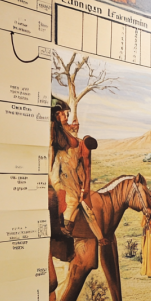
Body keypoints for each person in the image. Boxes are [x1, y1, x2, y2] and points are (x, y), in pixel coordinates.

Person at [49, 98, 97, 237]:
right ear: (57, 115)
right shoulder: (55, 130)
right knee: (72, 199)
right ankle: (64, 227)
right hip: (58, 170)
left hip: (65, 169)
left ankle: (68, 226)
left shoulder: (63, 129)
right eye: (64, 114)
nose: (66, 116)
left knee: (77, 199)